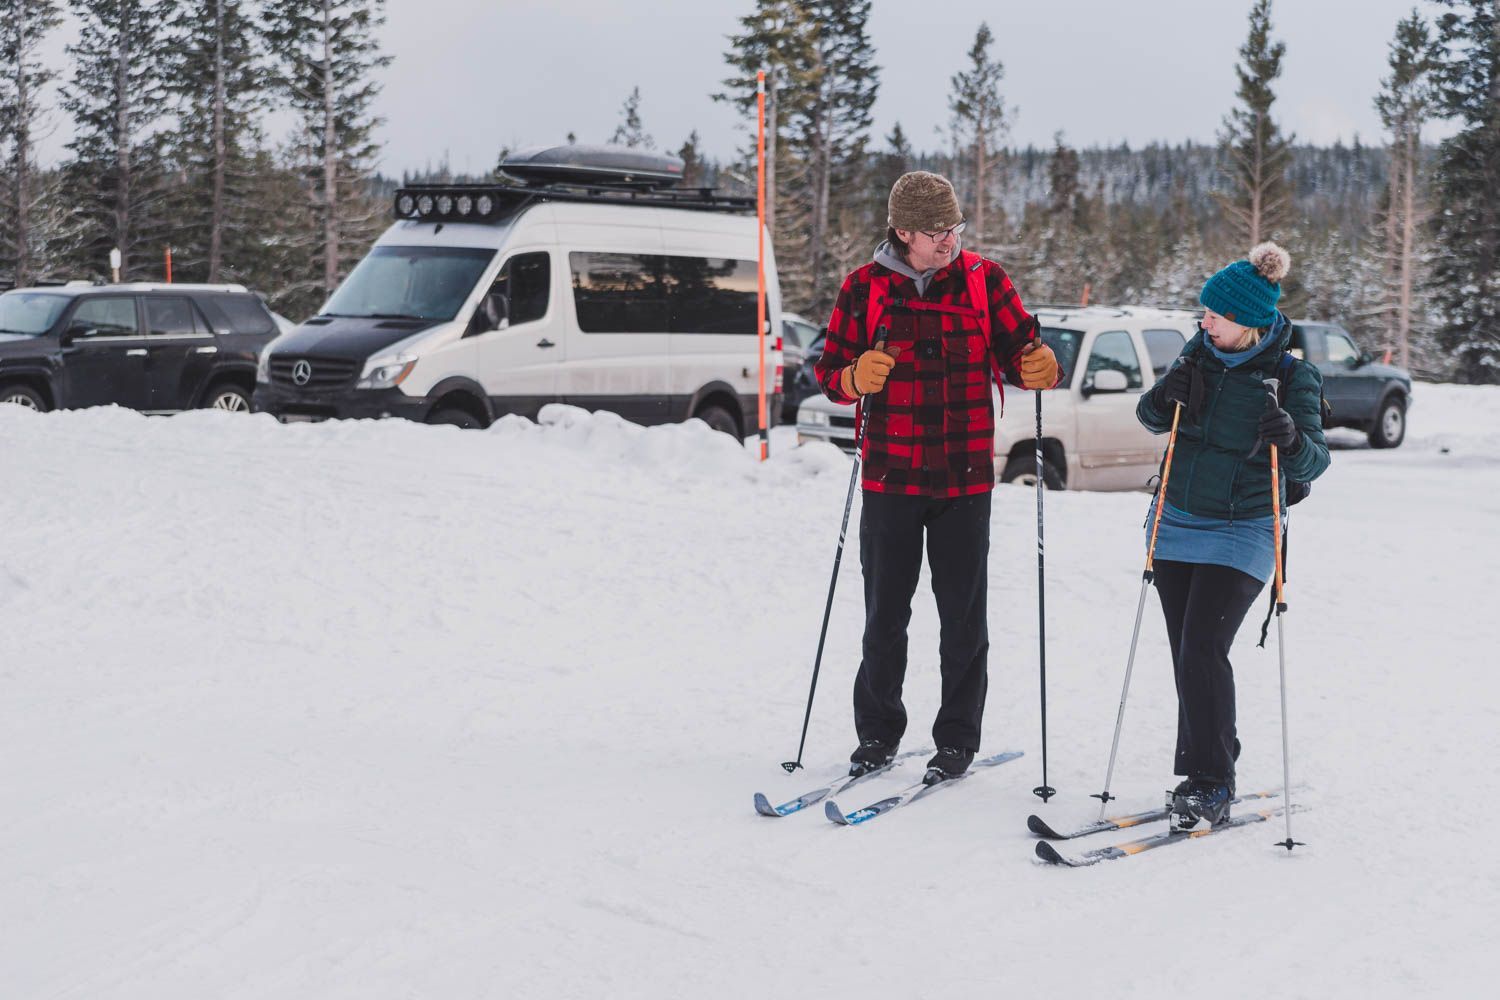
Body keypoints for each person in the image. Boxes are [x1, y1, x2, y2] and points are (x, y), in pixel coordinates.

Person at [813, 170, 1063, 783]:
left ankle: (956, 739)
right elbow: (827, 374)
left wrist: (1039, 363)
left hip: (966, 477)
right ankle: (876, 734)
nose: (949, 239)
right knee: (884, 618)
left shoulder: (984, 281)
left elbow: (1024, 350)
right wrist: (851, 378)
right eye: (934, 231)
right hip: (889, 480)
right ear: (902, 231)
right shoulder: (863, 288)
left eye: (954, 227)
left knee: (963, 619)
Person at [1135, 242, 1330, 830]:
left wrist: (1292, 439)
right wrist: (1164, 395)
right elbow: (1150, 417)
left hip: (1244, 526)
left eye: (1214, 316)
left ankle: (1213, 782)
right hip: (1177, 520)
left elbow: (1315, 464)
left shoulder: (1291, 375)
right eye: (1204, 314)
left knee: (1202, 647)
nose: (1203, 322)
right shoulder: (1195, 358)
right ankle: (1203, 768)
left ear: (1246, 322)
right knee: (1186, 654)